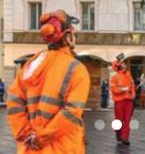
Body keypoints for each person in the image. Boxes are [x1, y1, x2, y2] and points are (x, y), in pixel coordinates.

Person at [6, 10, 89, 153]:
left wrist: (27, 135)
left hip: (30, 148)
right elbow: (72, 112)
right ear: (68, 37)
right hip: (62, 148)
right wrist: (41, 138)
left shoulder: (29, 65)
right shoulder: (76, 69)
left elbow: (14, 104)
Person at [110, 53, 136, 145]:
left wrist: (133, 94)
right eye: (123, 63)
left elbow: (132, 86)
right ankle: (118, 133)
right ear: (119, 66)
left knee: (127, 120)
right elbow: (113, 89)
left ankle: (125, 137)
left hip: (128, 100)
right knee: (118, 119)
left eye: (124, 63)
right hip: (119, 100)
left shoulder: (129, 75)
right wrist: (122, 89)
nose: (125, 65)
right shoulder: (114, 77)